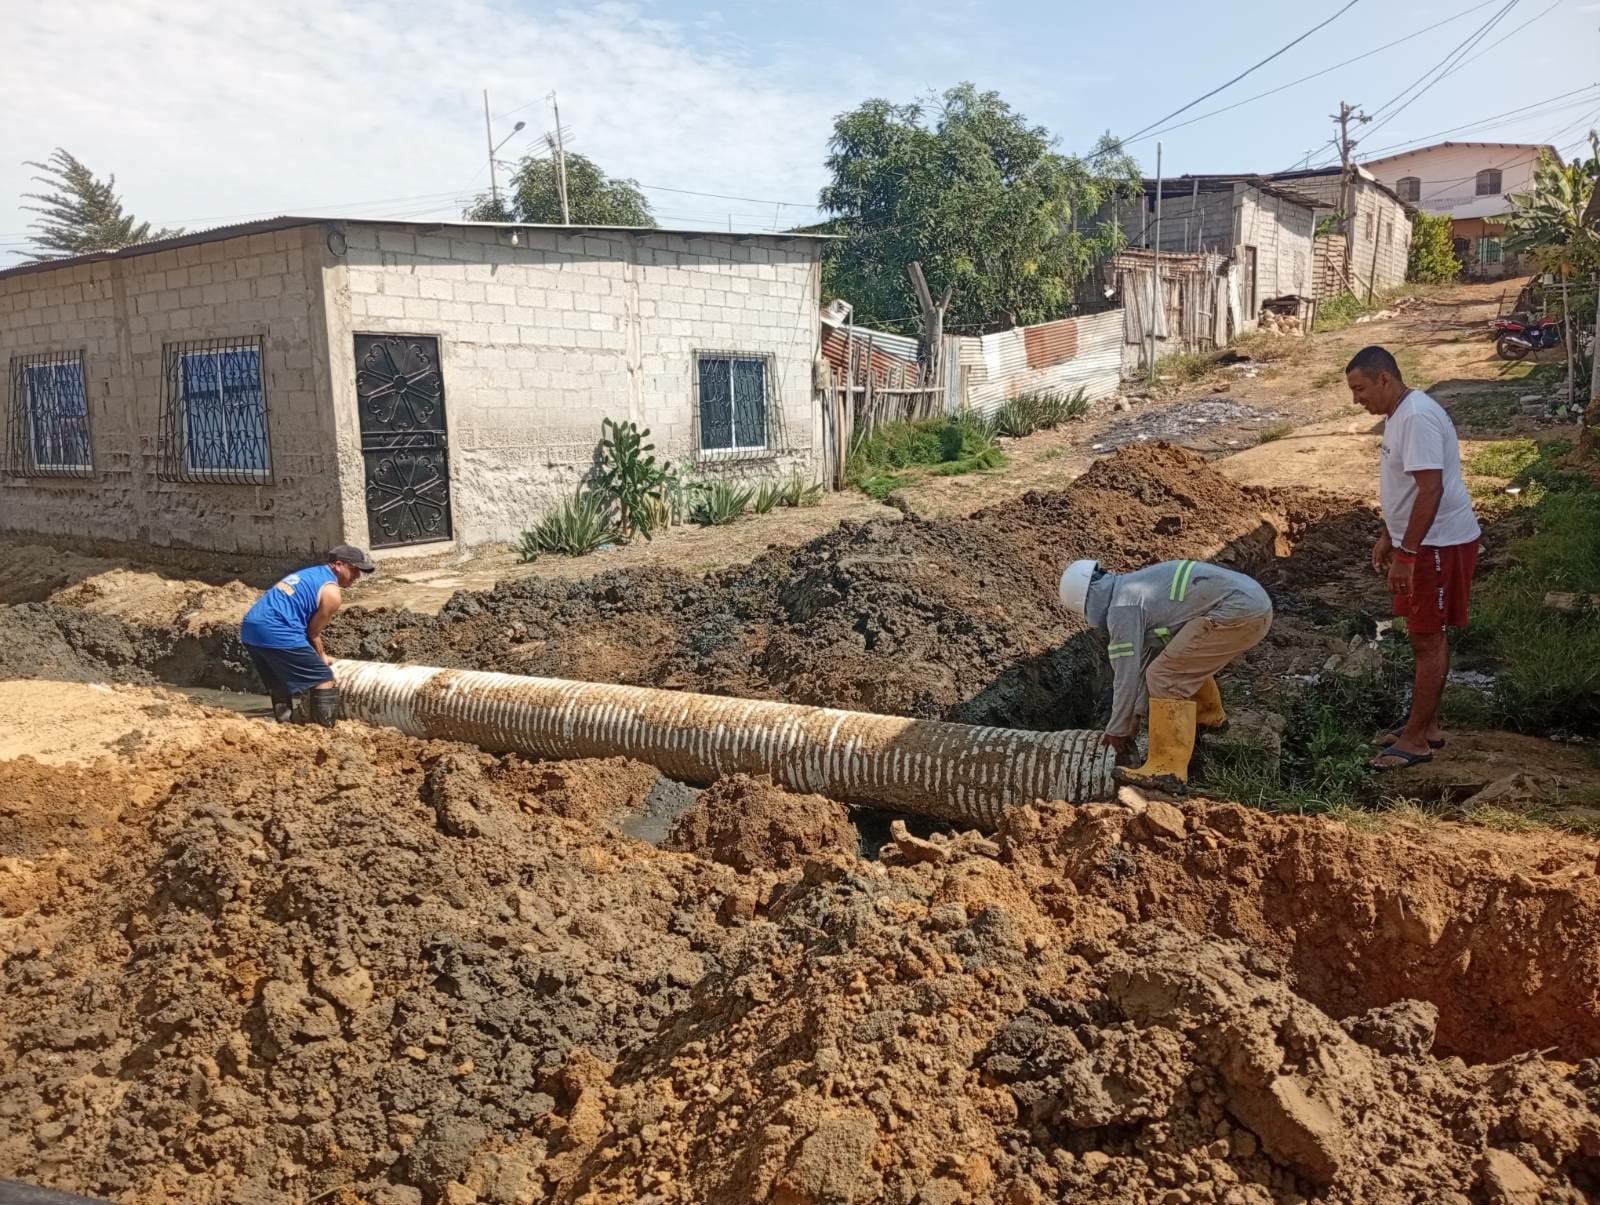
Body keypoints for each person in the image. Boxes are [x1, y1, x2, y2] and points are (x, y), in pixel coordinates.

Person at [1345, 344, 1481, 770]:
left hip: (1436, 545)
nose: (1356, 399)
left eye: (1360, 389)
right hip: (1425, 543)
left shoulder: (1417, 417)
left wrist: (1408, 553)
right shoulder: (1399, 414)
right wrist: (1390, 533)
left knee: (1427, 637)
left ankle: (1416, 739)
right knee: (1429, 633)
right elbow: (1407, 487)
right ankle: (1428, 725)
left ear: (1384, 378)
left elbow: (1431, 490)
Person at [1059, 558, 1274, 793]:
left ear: (1087, 603)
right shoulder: (1134, 593)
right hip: (1253, 604)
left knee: (1165, 676)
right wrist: (1136, 715)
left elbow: (1126, 675)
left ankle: (1167, 769)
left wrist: (1117, 729)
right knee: (1177, 663)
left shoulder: (1121, 609)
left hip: (1238, 611)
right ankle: (1208, 718)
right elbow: (1144, 663)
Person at [240, 545, 375, 727]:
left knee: (280, 680)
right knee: (323, 678)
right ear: (338, 565)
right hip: (277, 630)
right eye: (354, 569)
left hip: (250, 628)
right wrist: (321, 657)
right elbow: (313, 633)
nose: (358, 576)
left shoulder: (310, 573)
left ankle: (284, 725)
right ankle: (323, 729)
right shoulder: (331, 593)